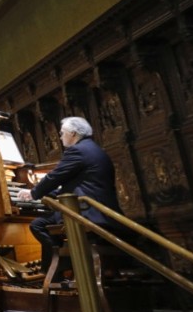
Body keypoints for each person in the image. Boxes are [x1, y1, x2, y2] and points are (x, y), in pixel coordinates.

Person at [17, 116, 122, 271]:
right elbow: (79, 186)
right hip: (99, 209)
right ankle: (56, 269)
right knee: (44, 223)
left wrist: (33, 193)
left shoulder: (77, 151)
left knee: (38, 225)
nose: (60, 137)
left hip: (86, 211)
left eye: (62, 133)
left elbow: (54, 176)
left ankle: (60, 265)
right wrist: (46, 194)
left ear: (72, 133)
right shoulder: (95, 149)